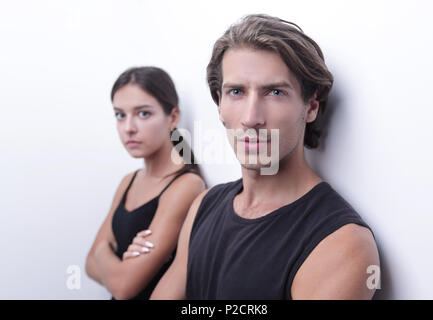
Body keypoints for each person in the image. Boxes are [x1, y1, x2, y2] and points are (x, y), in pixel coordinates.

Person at [139, 14, 379, 299]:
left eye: (275, 92)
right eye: (237, 92)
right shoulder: (204, 205)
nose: (251, 118)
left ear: (311, 106)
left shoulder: (342, 243)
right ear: (219, 104)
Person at [85, 66, 206, 300]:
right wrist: (106, 256)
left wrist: (103, 250)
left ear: (172, 117)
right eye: (120, 115)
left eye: (143, 114)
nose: (129, 128)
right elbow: (89, 264)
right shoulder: (129, 181)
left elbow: (123, 288)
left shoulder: (186, 185)